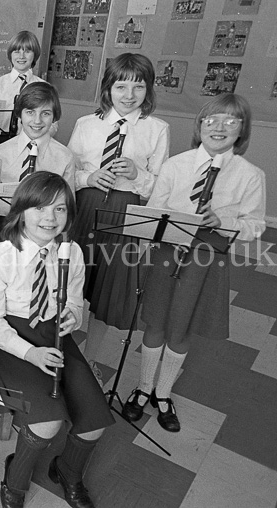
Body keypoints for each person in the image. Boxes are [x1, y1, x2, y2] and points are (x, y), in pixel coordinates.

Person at [121, 94, 265, 433]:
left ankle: (163, 393)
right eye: (211, 120)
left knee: (181, 328)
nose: (219, 127)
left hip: (206, 259)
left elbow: (255, 226)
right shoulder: (176, 165)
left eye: (231, 121)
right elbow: (154, 212)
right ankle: (143, 387)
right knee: (155, 322)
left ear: (242, 130)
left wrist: (224, 222)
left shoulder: (251, 175)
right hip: (168, 253)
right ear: (199, 126)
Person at [0, 172, 113, 508]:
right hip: (11, 341)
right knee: (47, 422)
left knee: (95, 419)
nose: (50, 218)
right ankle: (15, 477)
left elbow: (75, 302)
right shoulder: (0, 256)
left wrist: (73, 315)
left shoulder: (72, 252)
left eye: (60, 209)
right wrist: (31, 354)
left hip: (53, 336)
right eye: (40, 208)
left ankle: (67, 470)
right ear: (21, 210)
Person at [67, 53, 169, 381]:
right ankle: (60, 350)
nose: (129, 95)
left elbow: (159, 188)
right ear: (108, 88)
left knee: (106, 291)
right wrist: (89, 177)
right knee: (71, 279)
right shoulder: (86, 124)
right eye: (121, 86)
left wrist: (138, 175)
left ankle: (89, 359)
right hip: (86, 208)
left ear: (148, 90)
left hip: (126, 214)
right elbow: (68, 172)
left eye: (138, 87)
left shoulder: (157, 129)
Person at [0, 82, 78, 190]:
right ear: (19, 114)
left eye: (45, 113)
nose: (37, 121)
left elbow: (67, 199)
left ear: (54, 117)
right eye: (30, 112)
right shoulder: (0, 153)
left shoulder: (65, 157)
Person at [0, 31, 46, 137]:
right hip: (1, 142)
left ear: (35, 55)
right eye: (16, 51)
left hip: (32, 142)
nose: (21, 56)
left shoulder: (44, 87)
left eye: (27, 51)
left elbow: (52, 124)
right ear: (10, 54)